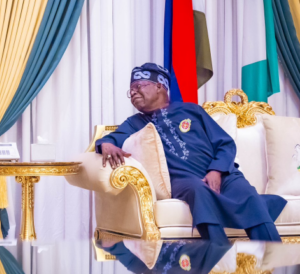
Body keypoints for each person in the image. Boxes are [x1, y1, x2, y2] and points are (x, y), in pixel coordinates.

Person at [95, 63, 286, 242]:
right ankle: (218, 256)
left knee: (248, 194)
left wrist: (216, 171)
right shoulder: (134, 123)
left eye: (139, 85)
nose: (133, 92)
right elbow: (112, 138)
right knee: (199, 191)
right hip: (183, 181)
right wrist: (105, 144)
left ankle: (272, 256)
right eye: (131, 90)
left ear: (159, 86)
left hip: (222, 174)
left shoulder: (192, 110)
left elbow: (225, 144)